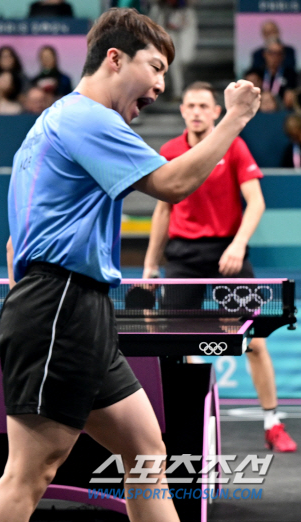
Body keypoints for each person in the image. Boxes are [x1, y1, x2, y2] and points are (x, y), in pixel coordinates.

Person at [0, 8, 261, 522]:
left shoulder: (52, 122)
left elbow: (15, 244)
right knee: (28, 474)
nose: (159, 84)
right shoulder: (88, 116)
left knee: (147, 452)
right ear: (114, 58)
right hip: (60, 306)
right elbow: (171, 186)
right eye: (154, 67)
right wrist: (234, 118)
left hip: (78, 309)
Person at [142, 81, 296, 453]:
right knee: (180, 348)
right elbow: (163, 210)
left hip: (228, 255)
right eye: (190, 105)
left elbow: (255, 202)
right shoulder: (170, 150)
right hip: (182, 258)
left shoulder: (235, 146)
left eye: (203, 106)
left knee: (255, 342)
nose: (196, 111)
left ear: (216, 111)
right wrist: (150, 266)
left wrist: (238, 245)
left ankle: (272, 422)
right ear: (182, 111)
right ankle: (188, 423)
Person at [148, 0, 197, 100]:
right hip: (164, 15)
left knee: (186, 58)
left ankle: (175, 81)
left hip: (185, 15)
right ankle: (177, 91)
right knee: (173, 59)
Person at [259, 38, 297, 110]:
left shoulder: (291, 74)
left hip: (283, 112)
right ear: (265, 54)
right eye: (272, 53)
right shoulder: (257, 73)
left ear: (283, 56)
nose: (275, 57)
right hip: (259, 112)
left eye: (279, 53)